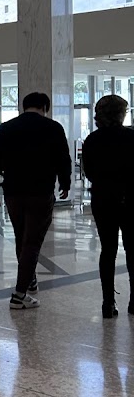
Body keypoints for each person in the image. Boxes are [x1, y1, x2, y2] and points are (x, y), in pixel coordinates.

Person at [0, 92, 71, 309]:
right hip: (40, 192)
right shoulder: (53, 128)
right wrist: (65, 182)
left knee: (21, 237)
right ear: (45, 107)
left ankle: (29, 278)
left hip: (13, 192)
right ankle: (19, 294)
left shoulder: (6, 128)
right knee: (32, 241)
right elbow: (63, 158)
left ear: (24, 106)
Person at [80, 94, 134, 319]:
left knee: (108, 249)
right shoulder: (131, 137)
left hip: (103, 199)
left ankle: (108, 302)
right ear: (121, 114)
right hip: (130, 198)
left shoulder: (92, 140)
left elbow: (89, 172)